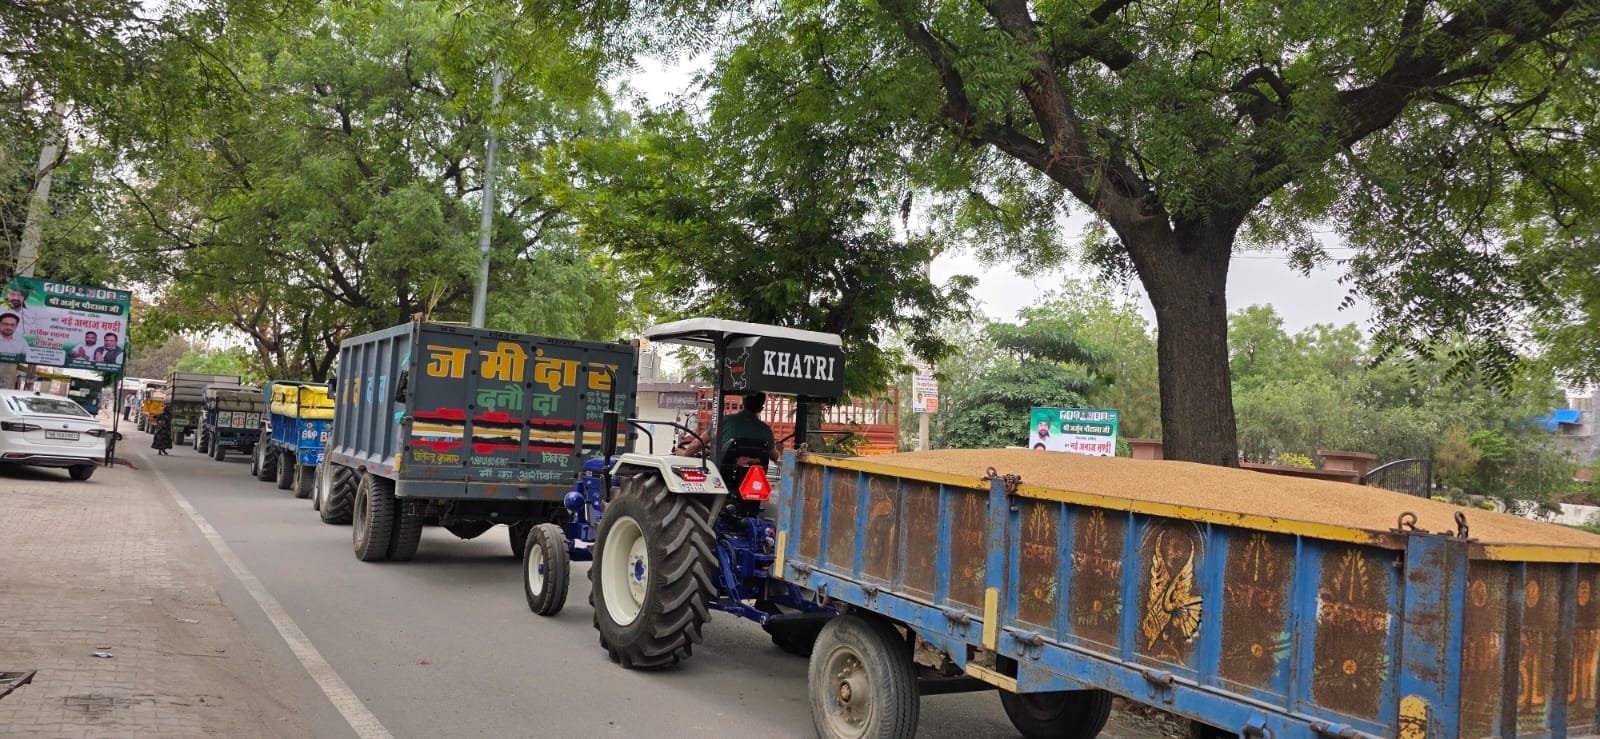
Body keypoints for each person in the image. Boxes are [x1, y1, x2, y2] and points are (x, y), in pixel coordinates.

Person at [676, 391, 782, 467]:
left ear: (743, 403)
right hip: (754, 479)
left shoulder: (725, 421)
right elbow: (774, 456)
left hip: (722, 476)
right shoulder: (766, 430)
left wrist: (684, 455)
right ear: (761, 408)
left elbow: (696, 445)